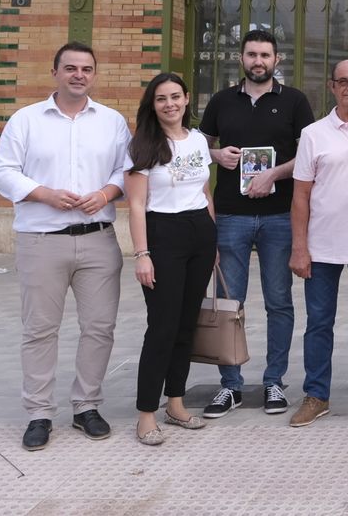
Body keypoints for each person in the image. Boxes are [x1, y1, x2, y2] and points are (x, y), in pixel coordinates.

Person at [0, 42, 130, 451]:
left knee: (99, 328)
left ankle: (87, 406)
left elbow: (127, 170)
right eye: (70, 68)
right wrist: (43, 194)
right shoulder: (26, 119)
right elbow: (2, 171)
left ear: (94, 74)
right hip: (41, 241)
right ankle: (39, 413)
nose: (78, 75)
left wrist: (105, 194)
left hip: (98, 240)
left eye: (86, 68)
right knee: (39, 330)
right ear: (55, 72)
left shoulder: (112, 121)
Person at [199, 28, 316, 419]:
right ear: (242, 59)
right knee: (228, 303)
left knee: (279, 301)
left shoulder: (295, 101)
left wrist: (273, 175)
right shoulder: (221, 101)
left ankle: (273, 381)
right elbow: (196, 147)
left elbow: (308, 156)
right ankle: (230, 385)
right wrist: (217, 155)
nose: (258, 61)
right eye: (252, 54)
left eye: (265, 55)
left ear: (276, 60)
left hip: (280, 216)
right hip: (230, 215)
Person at [287, 59, 348, 428]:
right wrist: (299, 247)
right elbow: (300, 196)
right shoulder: (313, 134)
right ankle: (316, 395)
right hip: (322, 246)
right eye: (343, 81)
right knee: (318, 323)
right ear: (331, 86)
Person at [124, 72, 217, 446]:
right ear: (153, 104)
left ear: (187, 98)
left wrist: (214, 240)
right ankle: (146, 414)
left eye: (176, 96)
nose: (170, 104)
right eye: (161, 98)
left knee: (186, 325)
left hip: (200, 233)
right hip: (162, 234)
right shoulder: (144, 145)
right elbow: (135, 205)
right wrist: (142, 254)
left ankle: (175, 403)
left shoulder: (198, 140)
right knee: (162, 327)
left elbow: (205, 191)